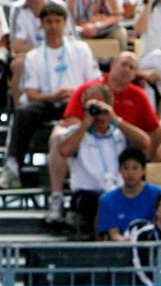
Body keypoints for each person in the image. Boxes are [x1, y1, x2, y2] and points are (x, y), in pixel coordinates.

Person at [0, 2, 99, 189]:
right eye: (49, 21)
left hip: (76, 103)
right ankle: (12, 167)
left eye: (57, 21)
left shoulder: (81, 49)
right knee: (24, 112)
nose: (53, 26)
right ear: (42, 24)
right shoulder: (34, 56)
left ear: (65, 23)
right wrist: (52, 96)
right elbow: (31, 92)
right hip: (49, 103)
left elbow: (95, 82)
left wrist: (77, 95)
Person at [55, 84, 152, 231]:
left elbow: (145, 142)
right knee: (104, 201)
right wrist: (86, 123)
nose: (97, 112)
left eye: (101, 105)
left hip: (120, 191)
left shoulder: (120, 133)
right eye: (92, 106)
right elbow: (64, 151)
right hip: (88, 195)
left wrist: (115, 119)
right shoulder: (77, 133)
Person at [97, 148, 161, 242]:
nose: (130, 173)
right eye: (126, 168)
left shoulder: (158, 194)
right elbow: (114, 234)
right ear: (120, 170)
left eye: (135, 168)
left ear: (143, 171)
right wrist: (125, 241)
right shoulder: (108, 199)